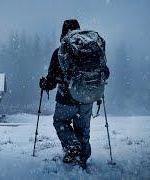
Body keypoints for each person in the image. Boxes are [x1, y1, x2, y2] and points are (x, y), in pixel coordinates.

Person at [39, 19, 110, 169]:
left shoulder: (60, 52)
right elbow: (106, 72)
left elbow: (51, 82)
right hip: (87, 97)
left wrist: (44, 84)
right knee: (82, 129)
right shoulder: (91, 49)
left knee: (60, 122)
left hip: (66, 98)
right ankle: (81, 158)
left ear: (63, 32)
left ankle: (72, 148)